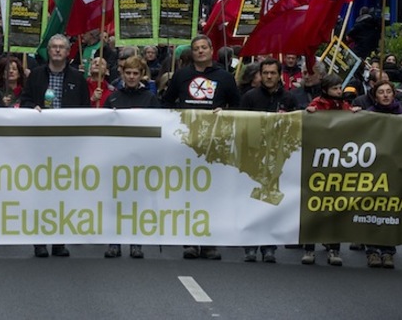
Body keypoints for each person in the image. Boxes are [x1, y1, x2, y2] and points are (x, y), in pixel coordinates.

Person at [162, 34, 240, 261]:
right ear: (192, 52)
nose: (200, 51)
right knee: (188, 192)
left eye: (204, 47)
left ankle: (209, 242)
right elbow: (166, 102)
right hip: (186, 143)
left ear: (211, 50)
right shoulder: (181, 75)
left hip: (214, 144)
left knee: (211, 194)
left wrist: (226, 113)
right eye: (196, 48)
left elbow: (238, 105)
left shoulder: (224, 77)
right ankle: (190, 241)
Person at [19, 34, 90, 258]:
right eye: (54, 47)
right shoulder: (36, 75)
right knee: (40, 192)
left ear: (68, 52)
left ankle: (59, 240)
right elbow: (25, 100)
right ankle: (39, 241)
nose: (58, 50)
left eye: (62, 47)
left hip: (67, 144)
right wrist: (32, 108)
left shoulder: (77, 78)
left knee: (63, 192)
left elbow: (85, 109)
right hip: (40, 142)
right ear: (48, 51)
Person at [239, 58, 300, 264]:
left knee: (271, 202)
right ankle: (250, 246)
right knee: (251, 201)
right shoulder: (250, 97)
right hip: (254, 155)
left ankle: (269, 247)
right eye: (265, 73)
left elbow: (297, 126)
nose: (269, 76)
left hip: (278, 157)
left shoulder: (289, 98)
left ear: (279, 75)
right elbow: (240, 124)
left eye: (273, 73)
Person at [103, 55, 159, 259]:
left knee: (138, 202)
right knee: (116, 202)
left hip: (141, 158)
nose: (132, 77)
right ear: (122, 74)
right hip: (116, 157)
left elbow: (158, 126)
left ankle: (136, 243)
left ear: (142, 74)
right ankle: (114, 242)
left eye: (135, 73)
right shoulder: (113, 98)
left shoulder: (150, 99)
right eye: (128, 73)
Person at [302, 72, 357, 266]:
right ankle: (309, 248)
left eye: (340, 88)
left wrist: (356, 115)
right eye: (335, 88)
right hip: (317, 163)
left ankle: (334, 248)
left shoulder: (344, 106)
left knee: (335, 207)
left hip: (337, 163)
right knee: (312, 206)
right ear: (325, 89)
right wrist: (309, 113)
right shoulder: (317, 105)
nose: (339, 91)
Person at [364, 80, 402, 269]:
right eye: (381, 92)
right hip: (373, 170)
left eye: (388, 91)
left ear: (393, 94)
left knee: (391, 209)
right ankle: (372, 251)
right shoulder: (368, 115)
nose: (385, 95)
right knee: (371, 208)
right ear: (375, 96)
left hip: (395, 170)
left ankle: (388, 251)